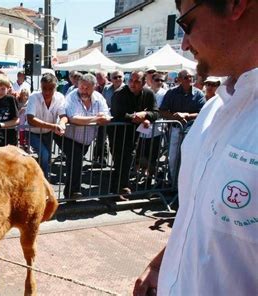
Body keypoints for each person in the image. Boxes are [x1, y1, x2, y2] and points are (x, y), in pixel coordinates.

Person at [134, 1, 257, 295]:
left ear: (237, 5)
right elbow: (197, 216)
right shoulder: (211, 111)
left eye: (187, 24)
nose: (185, 43)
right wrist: (162, 265)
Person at [58, 73, 110, 199]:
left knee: (75, 163)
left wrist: (103, 118)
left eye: (87, 88)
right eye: (82, 87)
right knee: (75, 161)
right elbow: (74, 118)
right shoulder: (72, 96)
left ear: (94, 87)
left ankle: (70, 193)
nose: (84, 91)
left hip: (86, 140)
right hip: (68, 137)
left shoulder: (99, 97)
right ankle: (73, 191)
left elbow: (106, 115)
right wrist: (96, 118)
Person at [110, 71, 159, 197]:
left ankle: (122, 187)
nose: (133, 83)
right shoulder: (119, 93)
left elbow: (156, 112)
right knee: (119, 159)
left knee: (129, 158)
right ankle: (117, 188)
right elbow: (118, 113)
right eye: (131, 80)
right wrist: (135, 117)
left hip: (135, 133)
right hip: (118, 132)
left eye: (137, 81)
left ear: (143, 83)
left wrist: (146, 116)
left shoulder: (148, 94)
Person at [160, 69, 205, 181]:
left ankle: (186, 182)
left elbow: (202, 112)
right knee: (174, 157)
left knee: (189, 158)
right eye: (186, 77)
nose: (189, 79)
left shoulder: (198, 93)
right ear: (179, 79)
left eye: (191, 77)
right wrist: (174, 116)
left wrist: (187, 115)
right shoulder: (171, 93)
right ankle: (173, 182)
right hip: (175, 130)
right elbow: (162, 110)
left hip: (192, 131)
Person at [26, 73, 68, 178]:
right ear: (41, 86)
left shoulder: (60, 97)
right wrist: (53, 126)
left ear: (56, 87)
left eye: (51, 88)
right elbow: (30, 119)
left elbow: (64, 116)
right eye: (44, 88)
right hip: (32, 132)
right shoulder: (34, 97)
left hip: (48, 133)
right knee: (44, 154)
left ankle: (39, 178)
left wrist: (62, 124)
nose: (47, 92)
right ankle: (44, 179)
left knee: (46, 157)